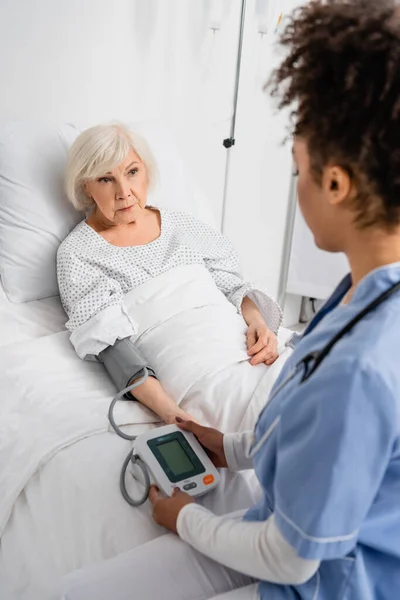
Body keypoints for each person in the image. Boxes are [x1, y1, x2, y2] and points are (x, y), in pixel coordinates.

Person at [59, 0, 400, 598]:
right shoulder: (355, 302)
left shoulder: (363, 366)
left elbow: (290, 557)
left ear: (337, 183)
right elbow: (304, 419)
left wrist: (182, 518)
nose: (123, 191)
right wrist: (228, 443)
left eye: (296, 170)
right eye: (106, 178)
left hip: (326, 579)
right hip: (271, 485)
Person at [57, 123, 281, 424]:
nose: (124, 192)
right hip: (197, 367)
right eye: (106, 179)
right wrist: (172, 413)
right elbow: (111, 345)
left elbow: (229, 281)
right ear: (86, 186)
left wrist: (259, 325)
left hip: (249, 346)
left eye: (132, 172)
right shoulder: (78, 252)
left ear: (146, 171)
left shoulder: (179, 223)